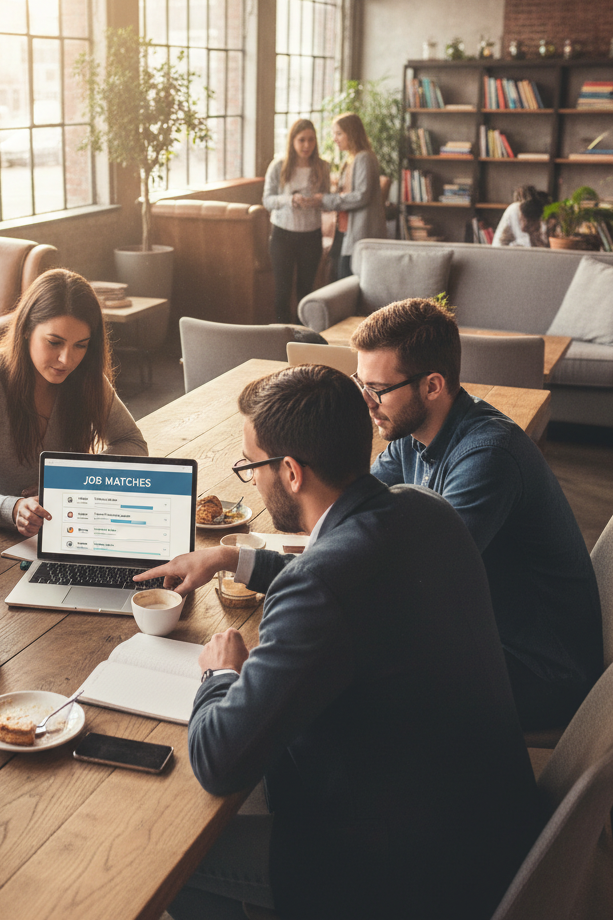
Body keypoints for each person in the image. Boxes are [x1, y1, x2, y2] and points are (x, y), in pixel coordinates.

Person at [135, 366, 542, 920]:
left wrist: (221, 674)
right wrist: (233, 557)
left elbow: (218, 760)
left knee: (159, 860)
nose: (251, 481)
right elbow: (352, 579)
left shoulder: (321, 585)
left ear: (291, 473)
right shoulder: (426, 511)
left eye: (252, 466)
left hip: (401, 877)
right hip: (490, 832)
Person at [350, 297, 602, 730]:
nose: (367, 403)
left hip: (540, 669)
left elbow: (417, 579)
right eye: (361, 384)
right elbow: (355, 510)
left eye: (377, 390)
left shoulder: (487, 457)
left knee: (346, 685)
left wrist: (278, 571)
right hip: (482, 631)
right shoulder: (413, 435)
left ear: (432, 385)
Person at [0, 268, 147, 536]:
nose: (67, 359)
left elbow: (133, 444)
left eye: (81, 345)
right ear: (26, 329)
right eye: (54, 342)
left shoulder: (87, 378)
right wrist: (15, 508)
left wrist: (68, 480)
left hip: (66, 529)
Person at [261, 118, 330, 323]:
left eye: (311, 140)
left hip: (311, 234)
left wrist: (318, 201)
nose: (307, 145)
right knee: (282, 290)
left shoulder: (322, 166)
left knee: (305, 290)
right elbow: (267, 200)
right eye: (301, 140)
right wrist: (290, 200)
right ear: (292, 141)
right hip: (283, 234)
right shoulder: (279, 166)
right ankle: (281, 337)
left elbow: (328, 201)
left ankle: (302, 337)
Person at [320, 112, 387, 279]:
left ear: (352, 133)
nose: (335, 138)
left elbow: (362, 195)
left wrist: (326, 200)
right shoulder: (351, 159)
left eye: (339, 133)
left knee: (348, 279)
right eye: (334, 134)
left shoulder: (364, 158)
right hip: (346, 230)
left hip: (359, 233)